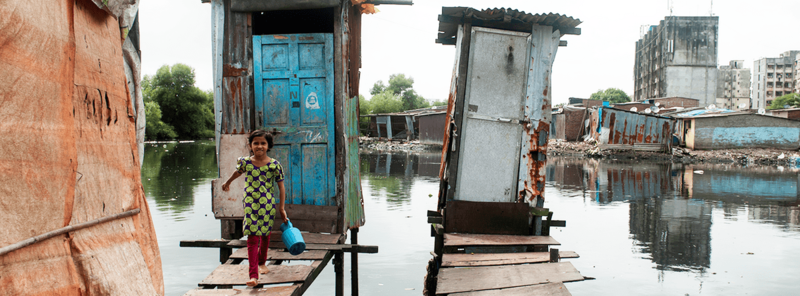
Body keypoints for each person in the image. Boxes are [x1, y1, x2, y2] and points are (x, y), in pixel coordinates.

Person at [222, 130, 288, 287]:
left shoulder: (274, 165)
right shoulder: (245, 163)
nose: (259, 146)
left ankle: (262, 262)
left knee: (265, 235)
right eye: (256, 143)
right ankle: (253, 275)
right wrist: (228, 182)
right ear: (250, 145)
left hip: (267, 205)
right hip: (251, 204)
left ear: (268, 146)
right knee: (252, 237)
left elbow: (281, 187)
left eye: (263, 143)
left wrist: (282, 208)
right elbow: (237, 172)